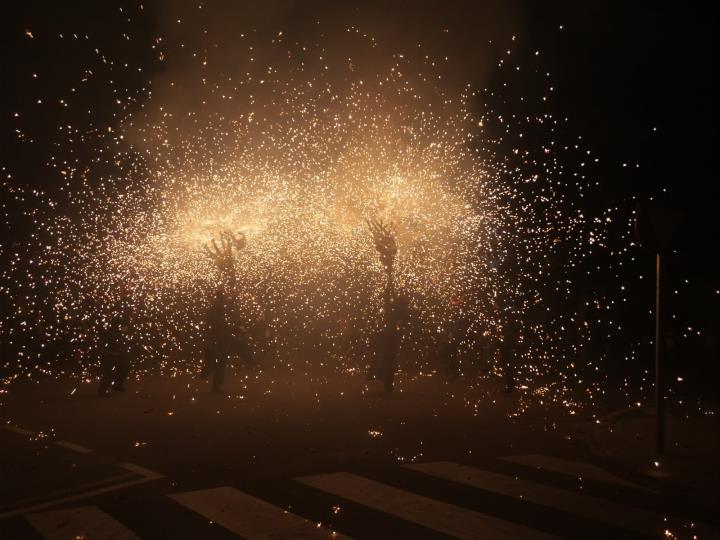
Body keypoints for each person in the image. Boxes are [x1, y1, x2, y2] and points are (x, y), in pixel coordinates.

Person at [201, 287, 231, 394]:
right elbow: (216, 325)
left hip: (216, 340)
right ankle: (211, 380)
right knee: (217, 362)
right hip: (215, 340)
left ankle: (213, 382)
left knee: (217, 362)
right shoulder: (217, 307)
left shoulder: (216, 307)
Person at [97, 305, 131, 396]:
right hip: (109, 354)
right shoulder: (110, 331)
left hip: (115, 353)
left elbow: (125, 330)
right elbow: (107, 341)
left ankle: (116, 385)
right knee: (109, 372)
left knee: (124, 367)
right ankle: (103, 390)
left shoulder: (118, 329)